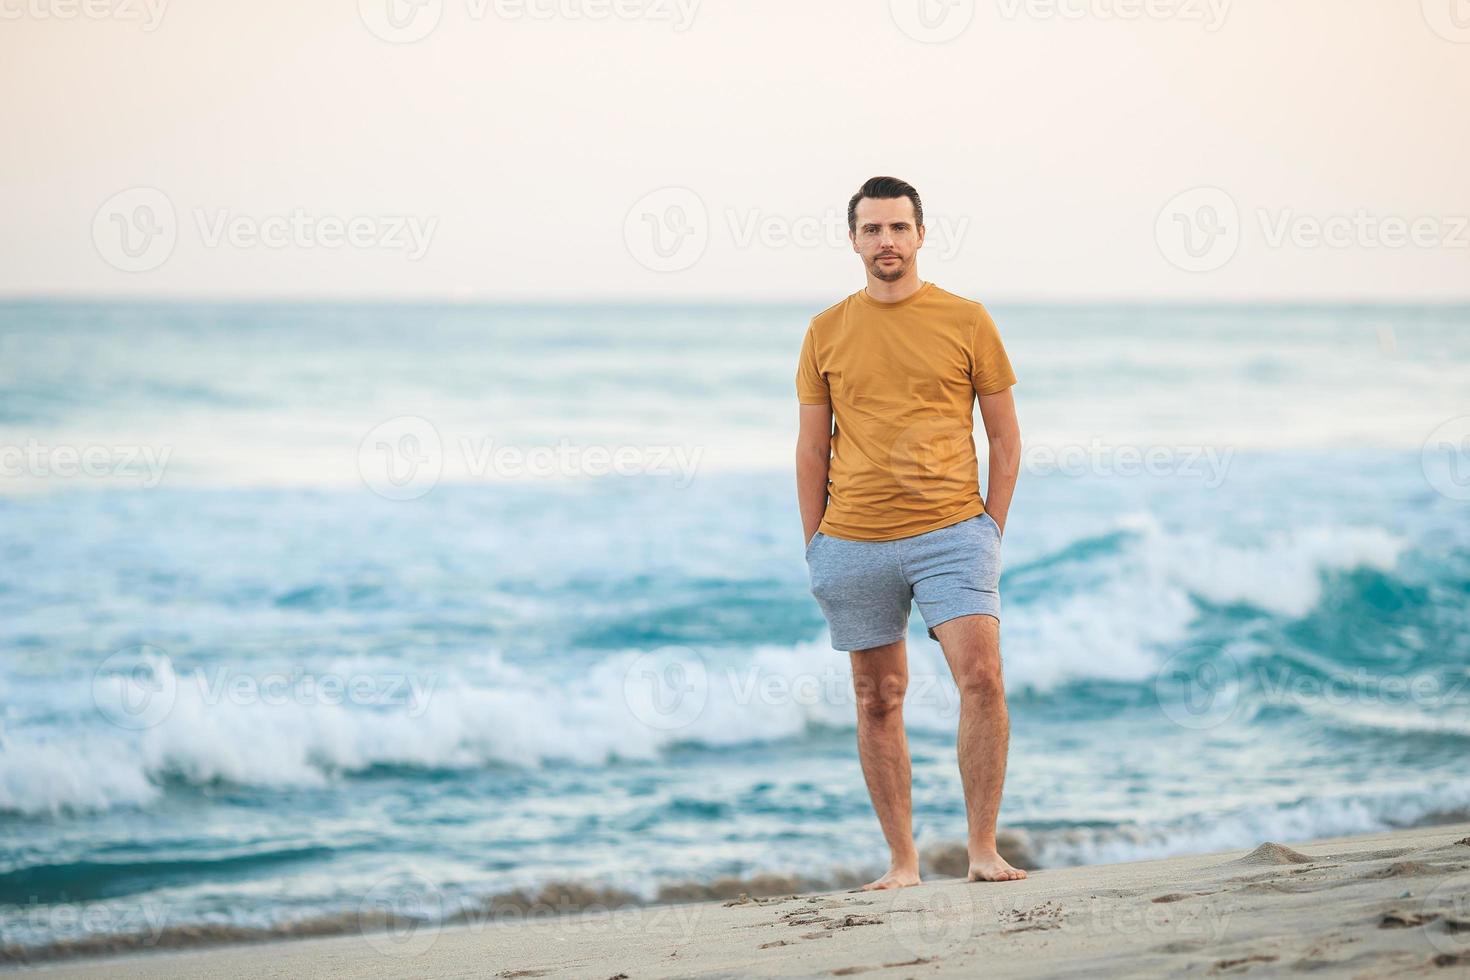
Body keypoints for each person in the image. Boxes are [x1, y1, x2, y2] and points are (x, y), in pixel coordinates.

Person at [794, 176, 1026, 890]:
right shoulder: (826, 330)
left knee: (981, 678)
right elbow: (812, 447)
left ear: (921, 235)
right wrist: (817, 545)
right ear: (854, 238)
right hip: (853, 540)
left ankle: (982, 850)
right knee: (878, 697)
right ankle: (903, 862)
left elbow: (1005, 436)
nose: (886, 241)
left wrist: (990, 528)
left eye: (898, 227)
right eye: (872, 229)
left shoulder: (967, 319)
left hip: (953, 531)